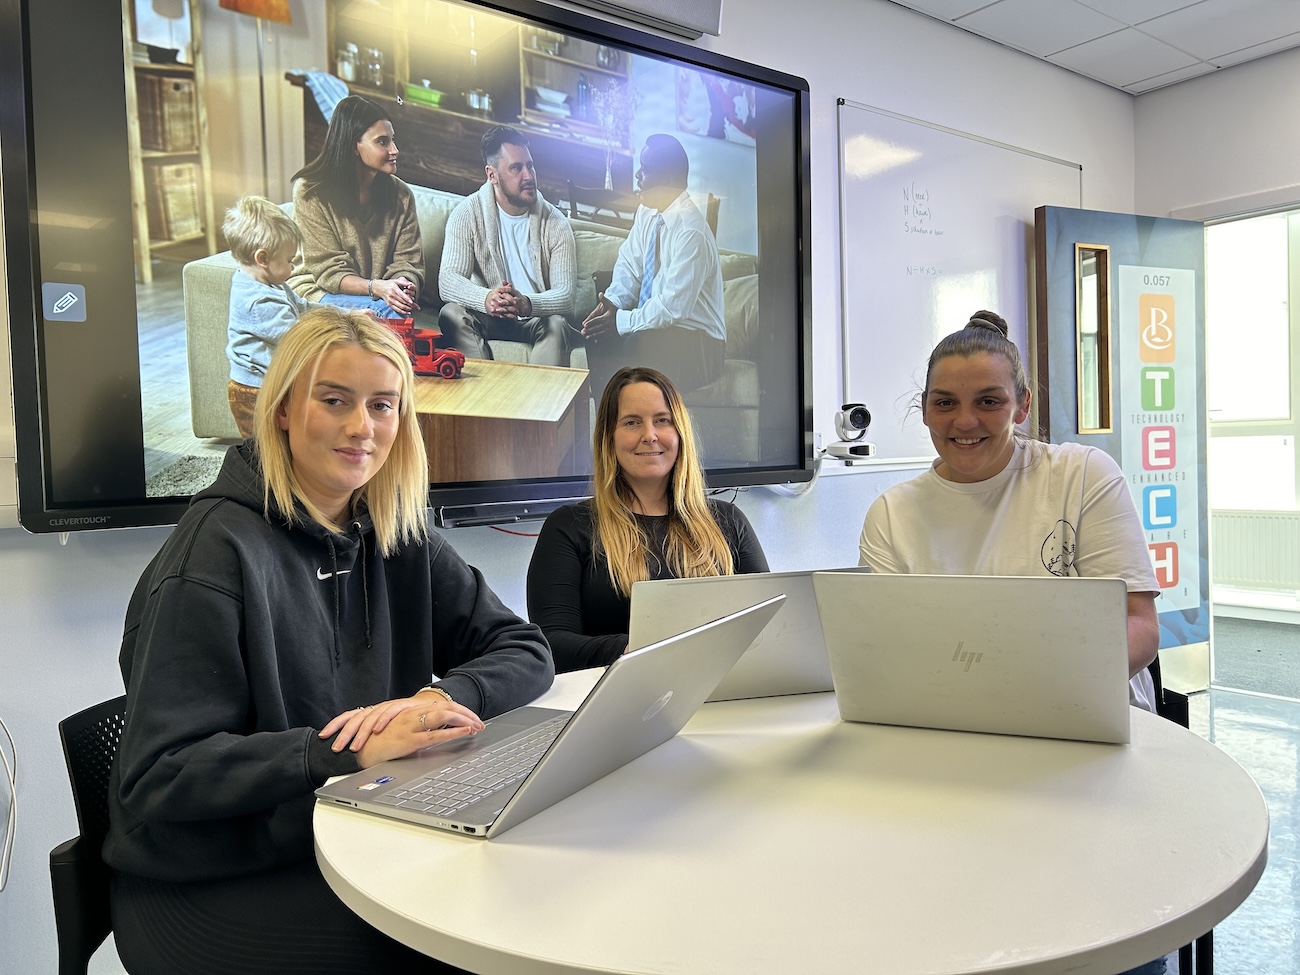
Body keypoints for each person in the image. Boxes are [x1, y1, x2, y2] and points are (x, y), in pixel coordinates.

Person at [104, 307, 554, 974]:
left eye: (382, 405)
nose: (361, 427)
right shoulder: (210, 559)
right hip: (208, 879)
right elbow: (159, 773)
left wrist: (441, 699)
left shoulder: (396, 528)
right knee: (456, 952)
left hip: (351, 832)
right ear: (283, 408)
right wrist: (335, 750)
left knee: (525, 904)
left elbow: (525, 649)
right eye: (334, 400)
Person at [857, 310, 1162, 714]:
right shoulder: (891, 515)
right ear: (925, 410)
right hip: (952, 716)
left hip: (1087, 713)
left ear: (1022, 406)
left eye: (989, 401)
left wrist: (1034, 692)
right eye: (945, 402)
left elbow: (1138, 624)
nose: (965, 421)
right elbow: (880, 644)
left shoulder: (1083, 474)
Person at [527, 366, 767, 672]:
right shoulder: (569, 528)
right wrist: (640, 649)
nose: (649, 436)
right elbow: (551, 645)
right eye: (631, 422)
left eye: (662, 421)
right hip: (616, 705)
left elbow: (768, 626)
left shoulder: (729, 521)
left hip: (722, 695)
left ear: (679, 433)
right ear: (608, 438)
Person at [581, 134, 725, 395]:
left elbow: (671, 308)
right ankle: (608, 424)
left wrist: (621, 321)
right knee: (597, 334)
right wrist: (611, 305)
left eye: (645, 169)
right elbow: (630, 263)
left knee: (639, 343)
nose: (637, 175)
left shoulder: (691, 232)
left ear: (668, 181)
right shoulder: (647, 212)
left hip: (701, 344)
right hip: (664, 330)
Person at [438, 126, 575, 365]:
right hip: (490, 317)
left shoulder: (556, 223)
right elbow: (448, 279)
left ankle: (540, 402)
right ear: (492, 175)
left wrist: (528, 304)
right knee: (450, 313)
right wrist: (486, 298)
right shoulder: (467, 214)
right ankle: (485, 396)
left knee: (557, 324)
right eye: (516, 168)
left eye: (530, 166)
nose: (529, 176)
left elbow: (566, 295)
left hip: (535, 319)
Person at [288, 95, 423, 319]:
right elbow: (328, 272)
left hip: (378, 296)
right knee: (388, 315)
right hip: (318, 293)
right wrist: (377, 287)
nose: (395, 150)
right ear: (353, 146)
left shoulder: (402, 196)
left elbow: (408, 262)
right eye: (383, 142)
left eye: (393, 140)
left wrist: (404, 285)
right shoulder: (311, 192)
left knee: (396, 311)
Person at [223, 194, 320, 439]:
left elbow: (302, 307)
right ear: (263, 259)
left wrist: (342, 315)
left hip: (268, 384)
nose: (294, 268)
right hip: (253, 391)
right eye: (289, 261)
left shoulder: (272, 284)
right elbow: (298, 337)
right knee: (263, 450)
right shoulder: (259, 302)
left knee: (283, 443)